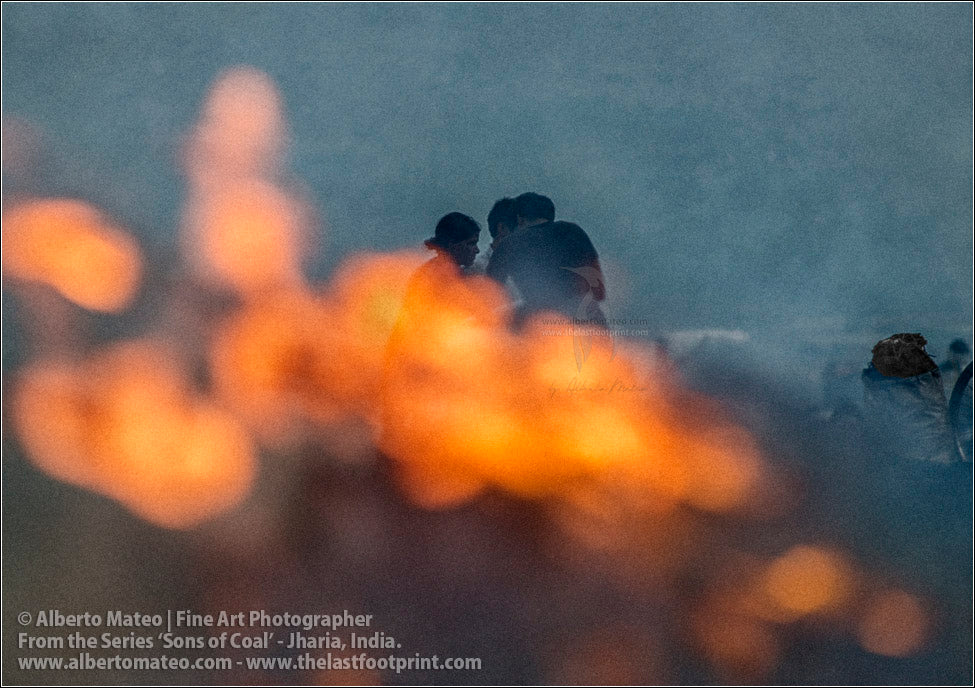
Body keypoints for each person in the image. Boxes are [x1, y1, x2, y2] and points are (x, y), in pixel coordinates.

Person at [487, 192, 607, 326]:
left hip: (544, 330)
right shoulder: (573, 231)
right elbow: (599, 291)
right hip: (591, 323)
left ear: (519, 219)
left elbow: (488, 293)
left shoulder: (509, 244)